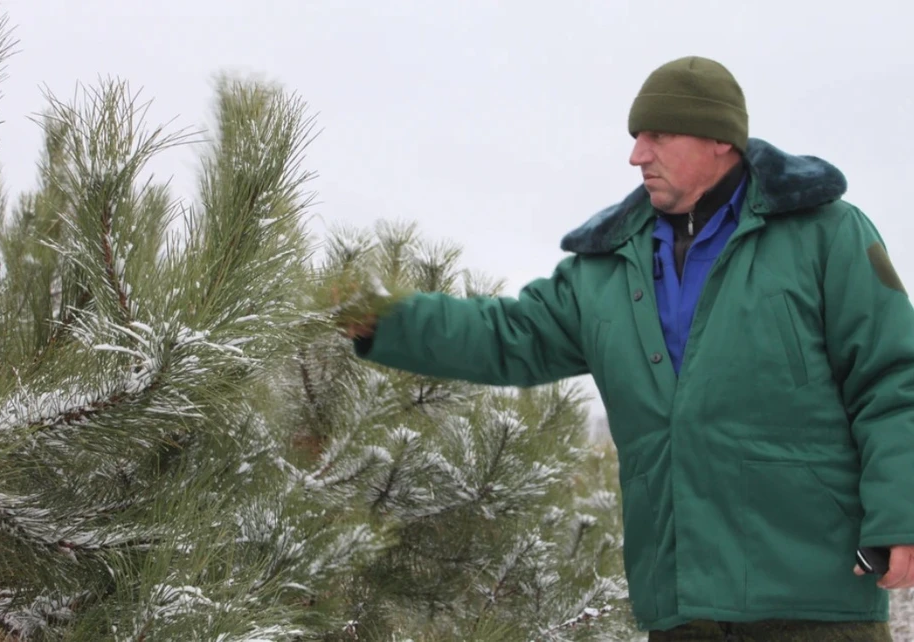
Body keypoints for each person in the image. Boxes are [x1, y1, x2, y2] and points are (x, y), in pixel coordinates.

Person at [342, 56, 914, 641]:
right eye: (636, 137)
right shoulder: (605, 270)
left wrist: (902, 512)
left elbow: (893, 379)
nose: (638, 154)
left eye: (659, 135)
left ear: (720, 140)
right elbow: (506, 334)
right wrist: (375, 318)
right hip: (681, 604)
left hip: (812, 596)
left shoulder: (826, 234)